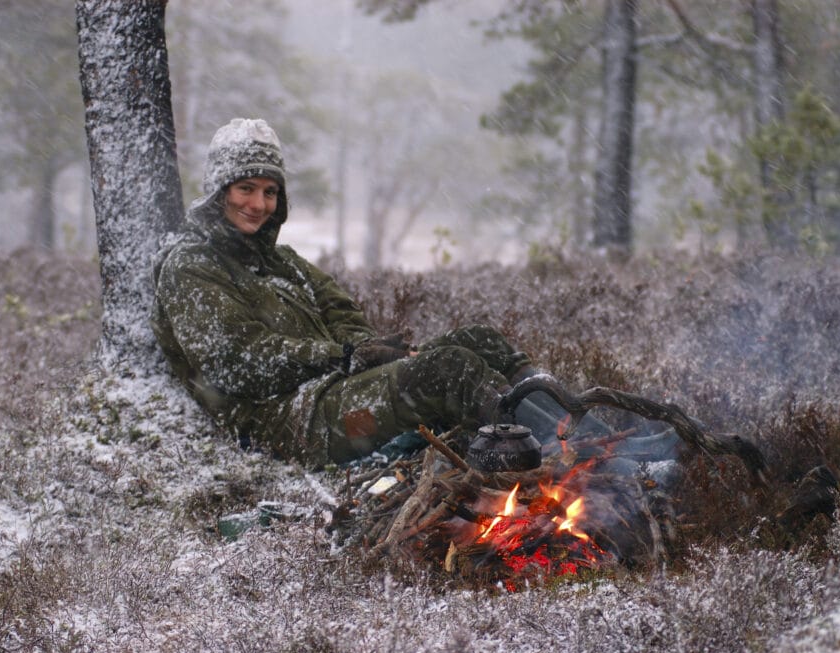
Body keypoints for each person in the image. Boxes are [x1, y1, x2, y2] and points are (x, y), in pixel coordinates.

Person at [150, 118, 564, 468]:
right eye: (246, 188)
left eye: (270, 191)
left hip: (334, 391)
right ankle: (560, 462)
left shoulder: (284, 261)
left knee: (481, 341)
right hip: (290, 424)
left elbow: (341, 311)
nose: (259, 204)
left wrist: (365, 351)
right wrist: (342, 358)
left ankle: (596, 439)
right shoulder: (191, 268)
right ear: (219, 190)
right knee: (446, 372)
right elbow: (237, 363)